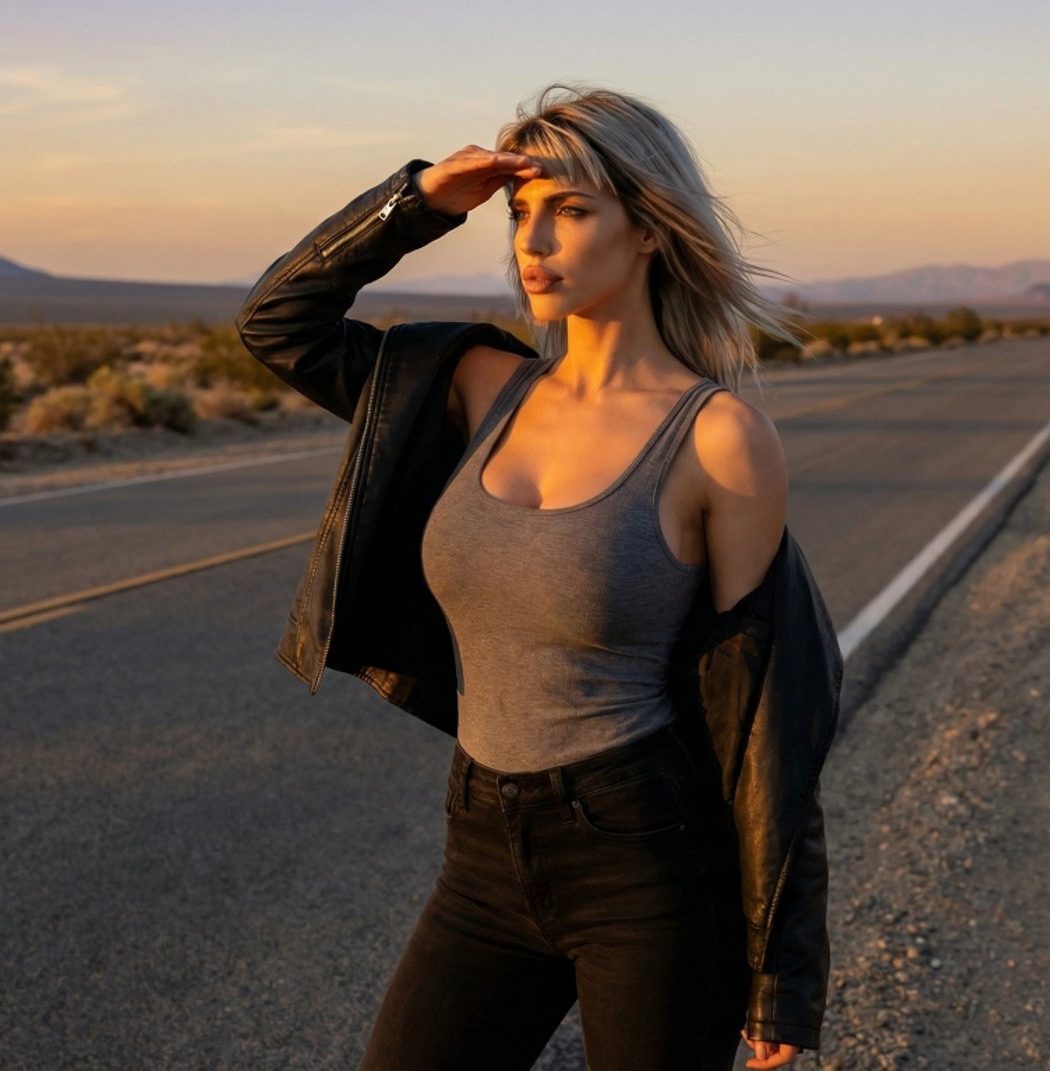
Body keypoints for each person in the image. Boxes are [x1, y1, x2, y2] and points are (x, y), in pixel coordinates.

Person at [236, 83, 839, 1071]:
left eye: (570, 209)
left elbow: (773, 708)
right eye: (522, 213)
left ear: (648, 230)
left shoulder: (720, 439)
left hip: (644, 864)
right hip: (480, 849)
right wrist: (422, 197)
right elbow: (280, 322)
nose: (534, 240)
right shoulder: (473, 387)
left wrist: (782, 972)